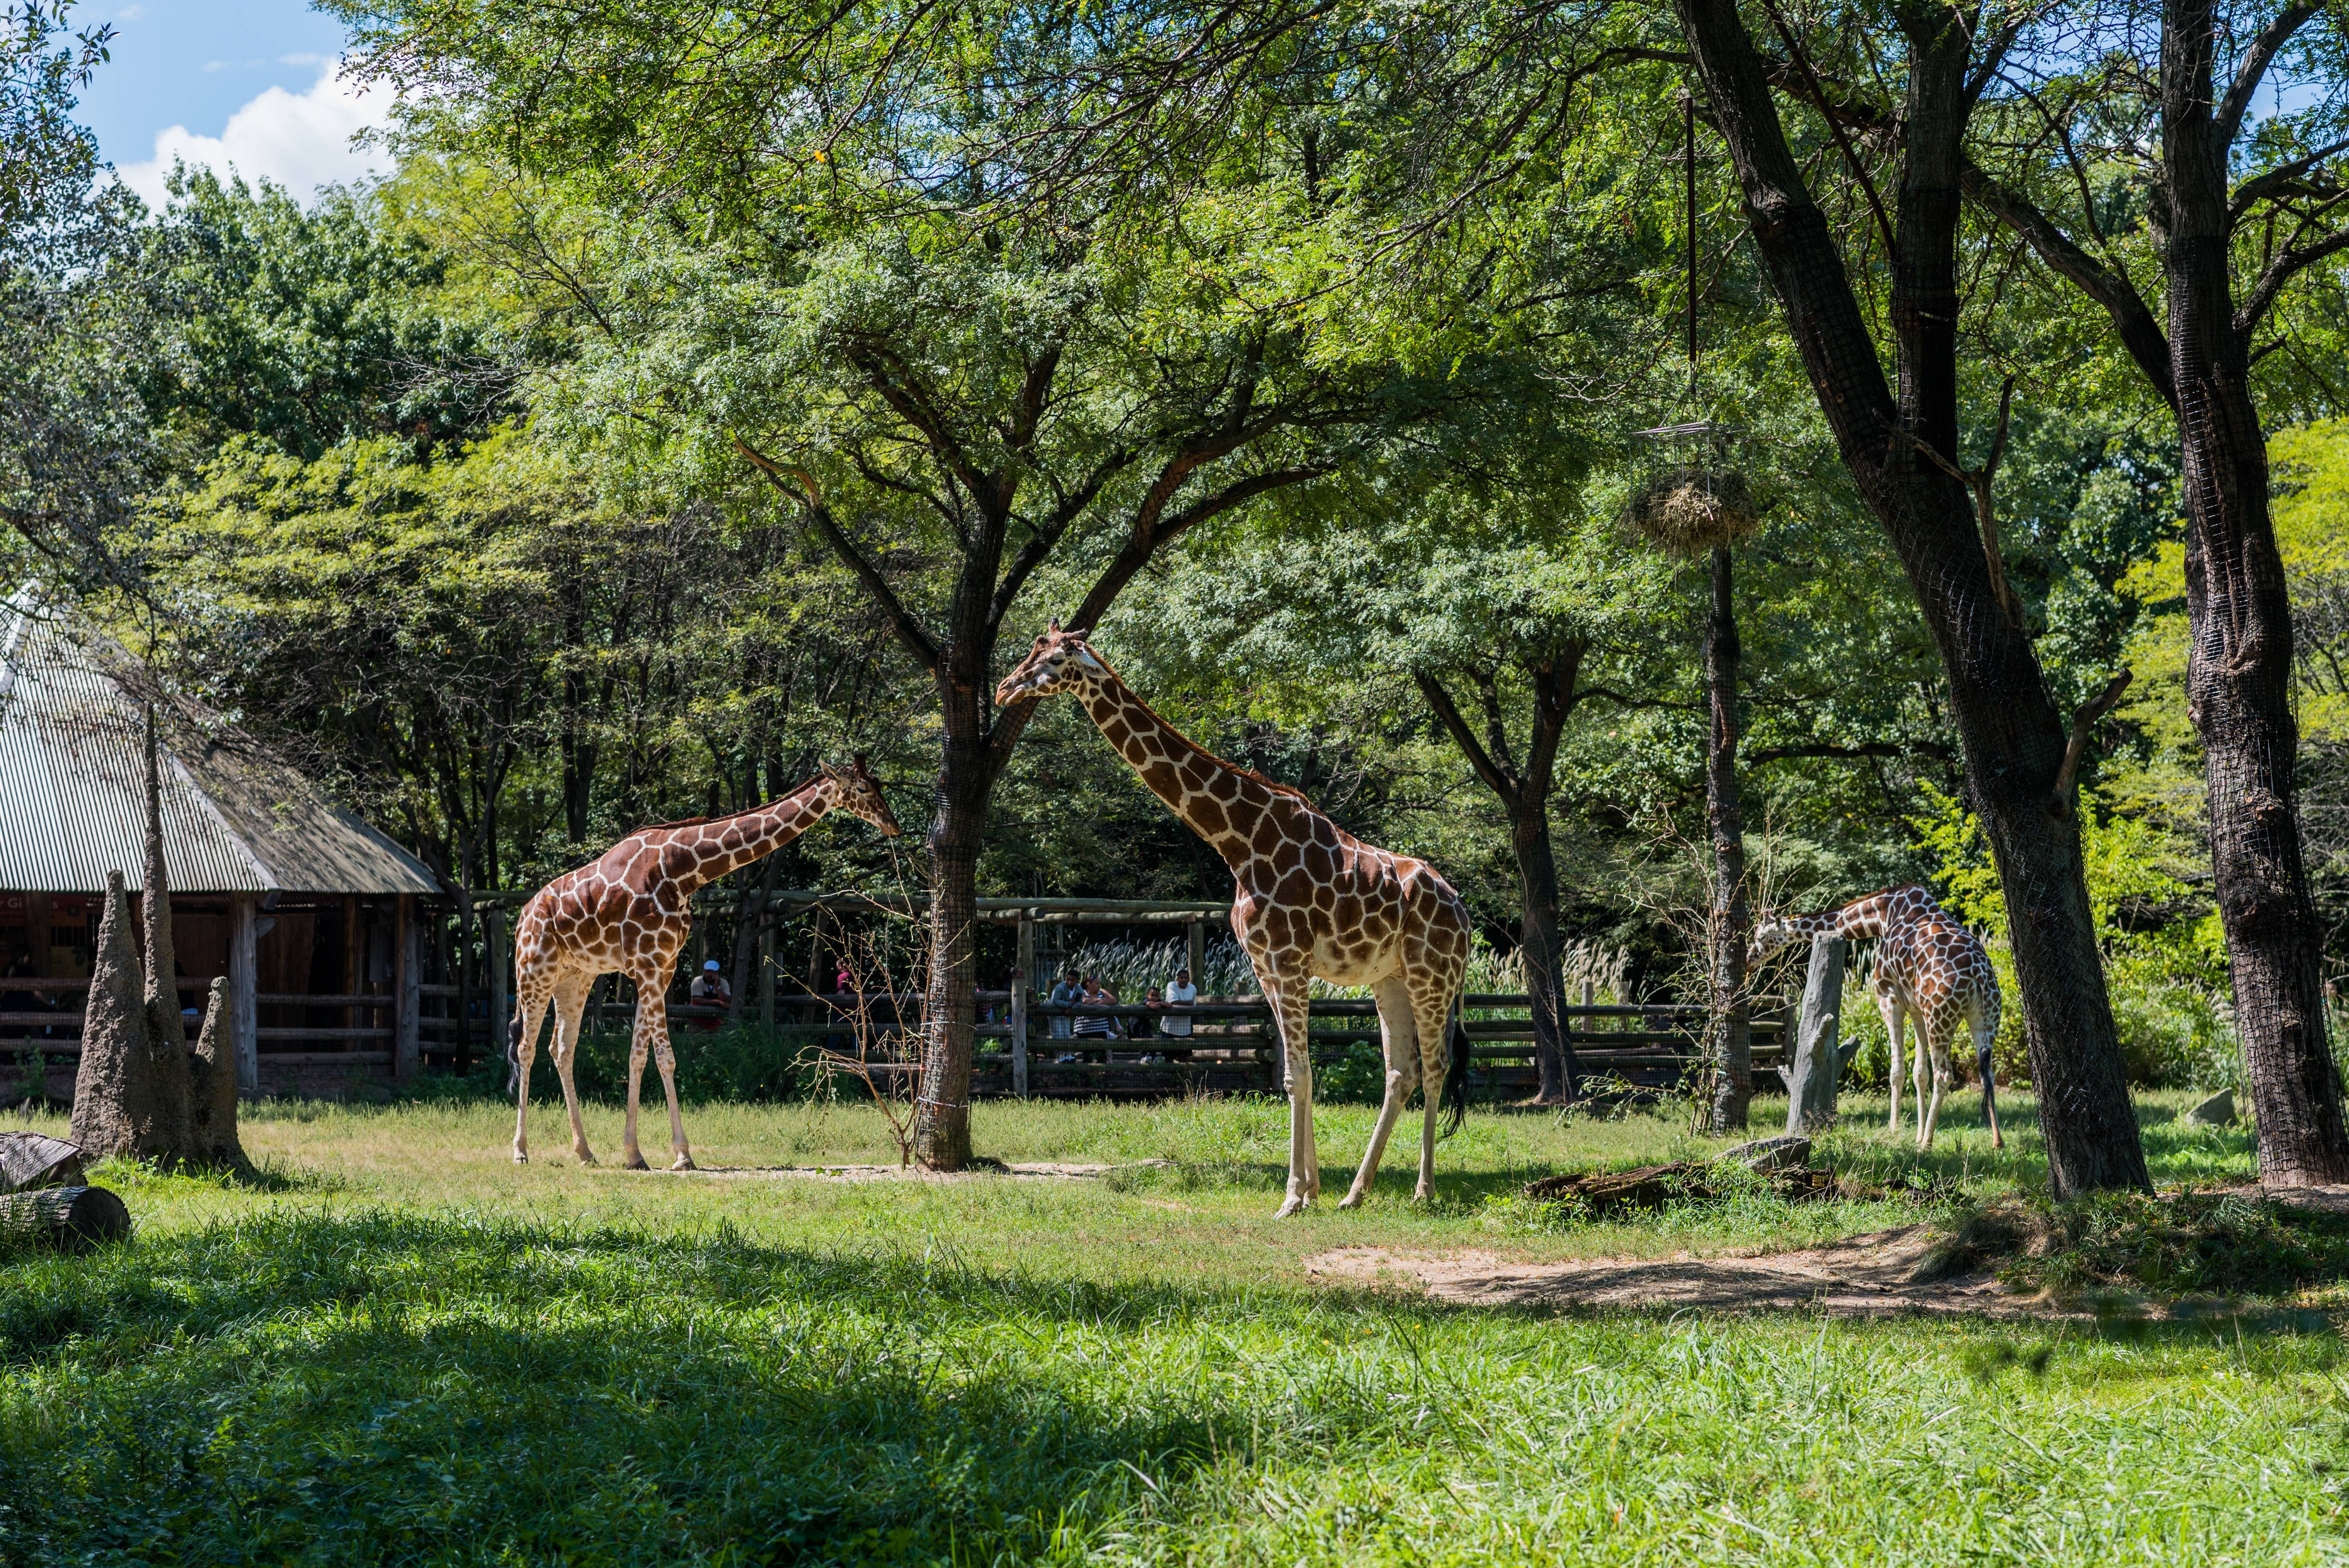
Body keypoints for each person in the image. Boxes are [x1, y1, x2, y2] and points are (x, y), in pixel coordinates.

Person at [1161, 966, 1198, 1059]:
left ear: (1189, 979)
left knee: (1184, 1055)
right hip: (1170, 1027)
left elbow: (1193, 1004)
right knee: (1168, 1056)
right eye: (1181, 978)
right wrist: (1189, 1003)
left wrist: (1189, 1004)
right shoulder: (1171, 985)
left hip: (1185, 1027)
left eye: (1186, 978)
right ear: (1177, 979)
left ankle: (1183, 1074)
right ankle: (1168, 1073)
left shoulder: (1193, 988)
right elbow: (1173, 1002)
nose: (1184, 980)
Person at [688, 960, 730, 1032]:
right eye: (708, 972)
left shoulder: (724, 983)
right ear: (704, 971)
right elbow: (698, 1000)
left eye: (712, 972)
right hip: (697, 1021)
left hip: (715, 1022)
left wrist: (718, 987)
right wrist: (718, 1002)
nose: (710, 974)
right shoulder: (698, 981)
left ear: (717, 973)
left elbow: (727, 1001)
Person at [1047, 969, 1080, 1039]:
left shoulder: (1079, 989)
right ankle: (1058, 1051)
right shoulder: (1060, 988)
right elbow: (1055, 1000)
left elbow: (1079, 1002)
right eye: (1068, 980)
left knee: (1066, 1035)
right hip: (1055, 1013)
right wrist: (1068, 1004)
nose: (1070, 982)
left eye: (1073, 980)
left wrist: (1071, 1008)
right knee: (1057, 1035)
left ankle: (1067, 1051)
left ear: (1077, 980)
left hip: (1066, 1012)